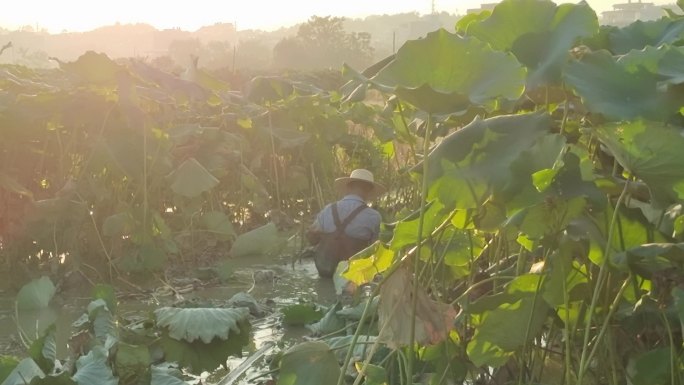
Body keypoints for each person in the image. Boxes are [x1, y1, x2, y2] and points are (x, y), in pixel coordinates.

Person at [307, 169, 385, 278]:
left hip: (325, 271)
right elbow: (376, 250)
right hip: (352, 277)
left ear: (348, 188)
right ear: (369, 191)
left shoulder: (328, 210)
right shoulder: (374, 217)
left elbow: (312, 236)